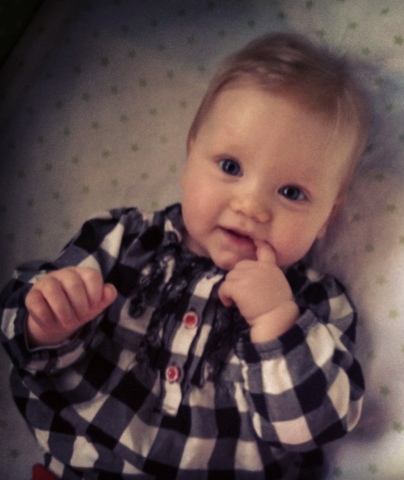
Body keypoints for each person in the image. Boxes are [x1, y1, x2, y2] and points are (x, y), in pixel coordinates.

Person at [0, 32, 368, 479]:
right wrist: (46, 321)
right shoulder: (124, 240)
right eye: (230, 167)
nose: (250, 206)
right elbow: (21, 339)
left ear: (327, 216)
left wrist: (276, 320)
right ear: (191, 152)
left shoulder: (316, 304)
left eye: (292, 192)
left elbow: (316, 428)